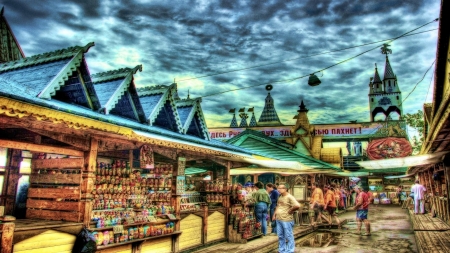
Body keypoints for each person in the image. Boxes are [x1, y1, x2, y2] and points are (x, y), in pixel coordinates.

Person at [273, 184, 300, 253]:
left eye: (280, 188)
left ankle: (290, 250)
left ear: (285, 189)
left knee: (288, 235)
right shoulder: (280, 196)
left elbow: (297, 205)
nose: (278, 189)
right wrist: (274, 214)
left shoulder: (289, 197)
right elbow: (278, 206)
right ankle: (282, 250)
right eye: (278, 188)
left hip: (286, 219)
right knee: (280, 235)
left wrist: (290, 211)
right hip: (279, 219)